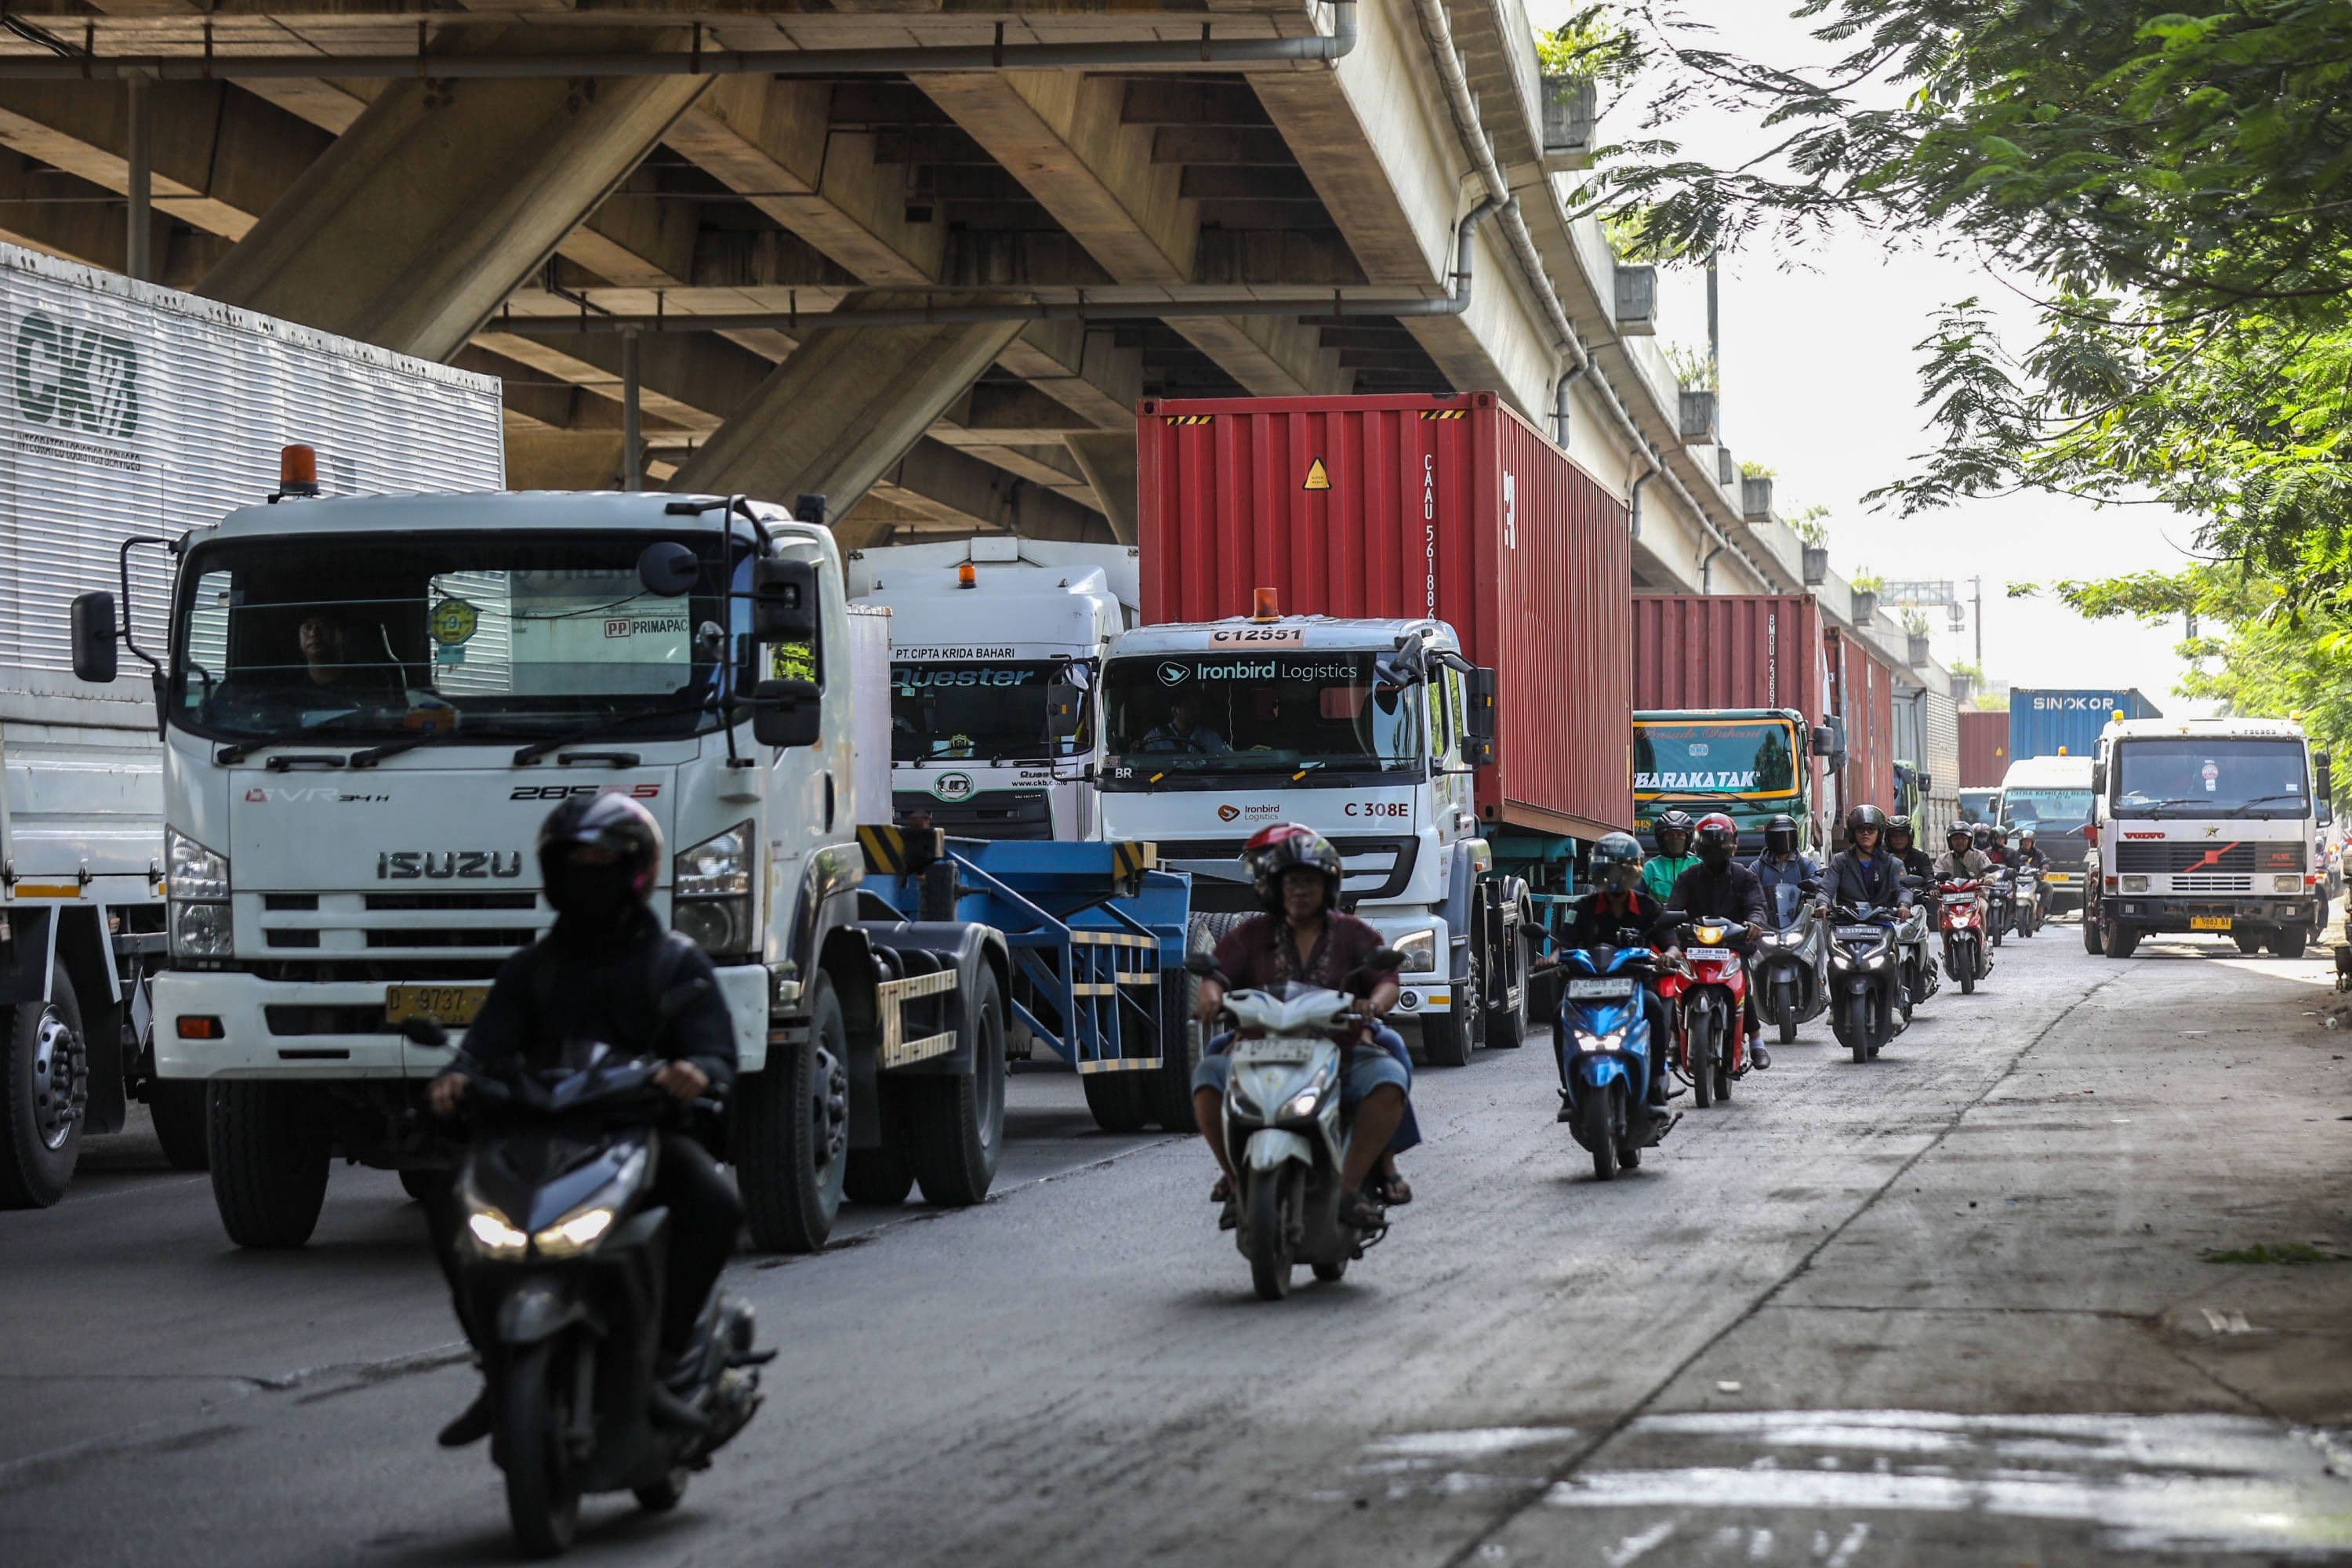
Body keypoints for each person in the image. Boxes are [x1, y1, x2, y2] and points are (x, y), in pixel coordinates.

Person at [426, 793, 742, 1448]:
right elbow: (482, 1046)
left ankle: (666, 1358)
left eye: (602, 862)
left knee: (714, 1205)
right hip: (537, 1137)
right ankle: (496, 1367)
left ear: (637, 870)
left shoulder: (675, 962)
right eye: (575, 863)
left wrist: (695, 1073)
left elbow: (713, 1049)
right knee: (448, 1200)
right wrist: (456, 1078)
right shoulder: (531, 968)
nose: (587, 875)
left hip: (638, 1134)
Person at [1190, 824, 1414, 1229]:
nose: (1299, 891)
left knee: (1389, 1077)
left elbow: (1386, 982)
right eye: (1291, 882)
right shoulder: (1251, 934)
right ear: (1274, 888)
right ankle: (1234, 1175)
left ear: (1328, 887)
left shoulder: (1355, 933)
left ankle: (1350, 1187)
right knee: (1208, 1076)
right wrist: (1209, 994)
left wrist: (1372, 1005)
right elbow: (1217, 973)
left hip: (1341, 1049)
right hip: (1257, 1048)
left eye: (1309, 882)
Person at [1548, 831, 1675, 1117]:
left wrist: (1668, 957)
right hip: (1587, 988)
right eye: (1609, 869)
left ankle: (1655, 1082)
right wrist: (1553, 958)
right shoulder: (1583, 908)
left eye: (1623, 869)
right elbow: (1564, 943)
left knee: (1655, 1008)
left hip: (1634, 987)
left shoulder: (1647, 907)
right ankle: (1569, 1088)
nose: (1615, 877)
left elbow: (1671, 943)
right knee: (1559, 1014)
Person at [1661, 812, 1769, 1053]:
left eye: (1720, 841)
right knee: (1677, 984)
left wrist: (1753, 923)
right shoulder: (1688, 877)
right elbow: (1674, 908)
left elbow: (1756, 906)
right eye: (1710, 842)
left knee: (1742, 985)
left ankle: (1755, 1039)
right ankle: (1675, 1038)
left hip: (1731, 946)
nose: (1715, 848)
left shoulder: (1744, 876)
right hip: (1695, 946)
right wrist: (1667, 922)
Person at [1826, 805, 1908, 909]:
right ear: (1853, 833)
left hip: (1884, 919)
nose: (1865, 833)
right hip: (1847, 921)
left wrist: (1904, 905)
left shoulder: (1893, 863)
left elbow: (1903, 889)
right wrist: (1823, 904)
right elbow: (1826, 889)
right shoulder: (1840, 861)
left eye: (1871, 829)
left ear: (1879, 833)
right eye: (1861, 829)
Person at [1752, 813, 1821, 926]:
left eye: (1787, 836)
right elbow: (1748, 887)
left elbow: (1818, 880)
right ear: (1769, 839)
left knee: (1818, 928)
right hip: (1767, 922)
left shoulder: (1804, 865)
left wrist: (1814, 886)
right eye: (1778, 837)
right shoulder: (1758, 867)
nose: (1783, 841)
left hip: (1798, 920)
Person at [1642, 808, 1700, 903]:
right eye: (1670, 835)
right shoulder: (1649, 868)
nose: (1675, 838)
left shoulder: (1699, 865)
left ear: (1688, 838)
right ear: (1661, 839)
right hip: (1659, 917)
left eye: (1680, 834)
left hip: (1692, 917)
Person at [1141, 695, 1229, 754]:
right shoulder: (1156, 736)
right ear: (1175, 711)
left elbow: (1223, 762)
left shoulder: (1210, 737)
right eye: (1190, 708)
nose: (1195, 712)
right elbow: (1141, 762)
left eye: (1197, 708)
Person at [1886, 815, 1935, 883]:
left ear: (1910, 837)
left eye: (1902, 835)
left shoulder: (1921, 857)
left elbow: (1928, 876)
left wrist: (1931, 888)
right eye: (1894, 835)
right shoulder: (1882, 859)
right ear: (1888, 838)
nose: (1898, 839)